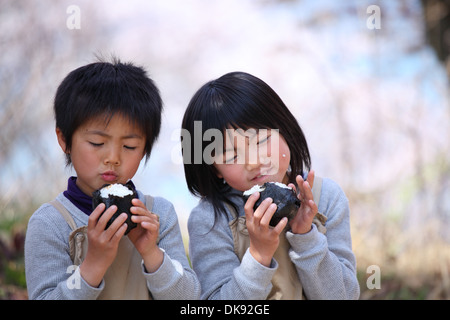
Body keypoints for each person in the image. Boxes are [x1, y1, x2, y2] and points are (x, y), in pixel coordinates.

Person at [25, 59, 200, 300]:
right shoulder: (51, 223)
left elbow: (189, 299)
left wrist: (151, 253)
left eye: (130, 146)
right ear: (64, 140)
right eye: (97, 143)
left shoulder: (158, 214)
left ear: (145, 148)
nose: (113, 158)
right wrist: (93, 265)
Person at [182, 71, 360, 300]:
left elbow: (344, 296)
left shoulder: (325, 197)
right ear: (213, 168)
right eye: (230, 155)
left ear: (285, 130)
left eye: (261, 140)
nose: (254, 162)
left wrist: (306, 236)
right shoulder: (210, 219)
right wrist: (258, 255)